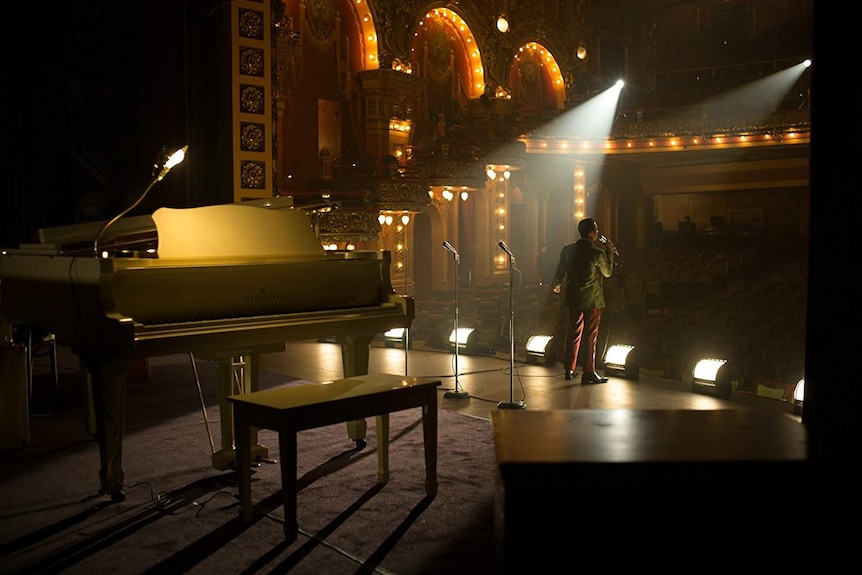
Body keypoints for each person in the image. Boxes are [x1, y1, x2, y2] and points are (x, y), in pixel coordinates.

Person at [552, 217, 616, 384]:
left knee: (573, 333)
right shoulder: (598, 253)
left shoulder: (567, 250)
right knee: (590, 336)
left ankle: (569, 368)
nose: (597, 232)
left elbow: (560, 271)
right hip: (593, 300)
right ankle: (589, 371)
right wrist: (609, 251)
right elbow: (607, 272)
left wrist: (556, 285)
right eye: (596, 229)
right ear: (591, 233)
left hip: (573, 298)